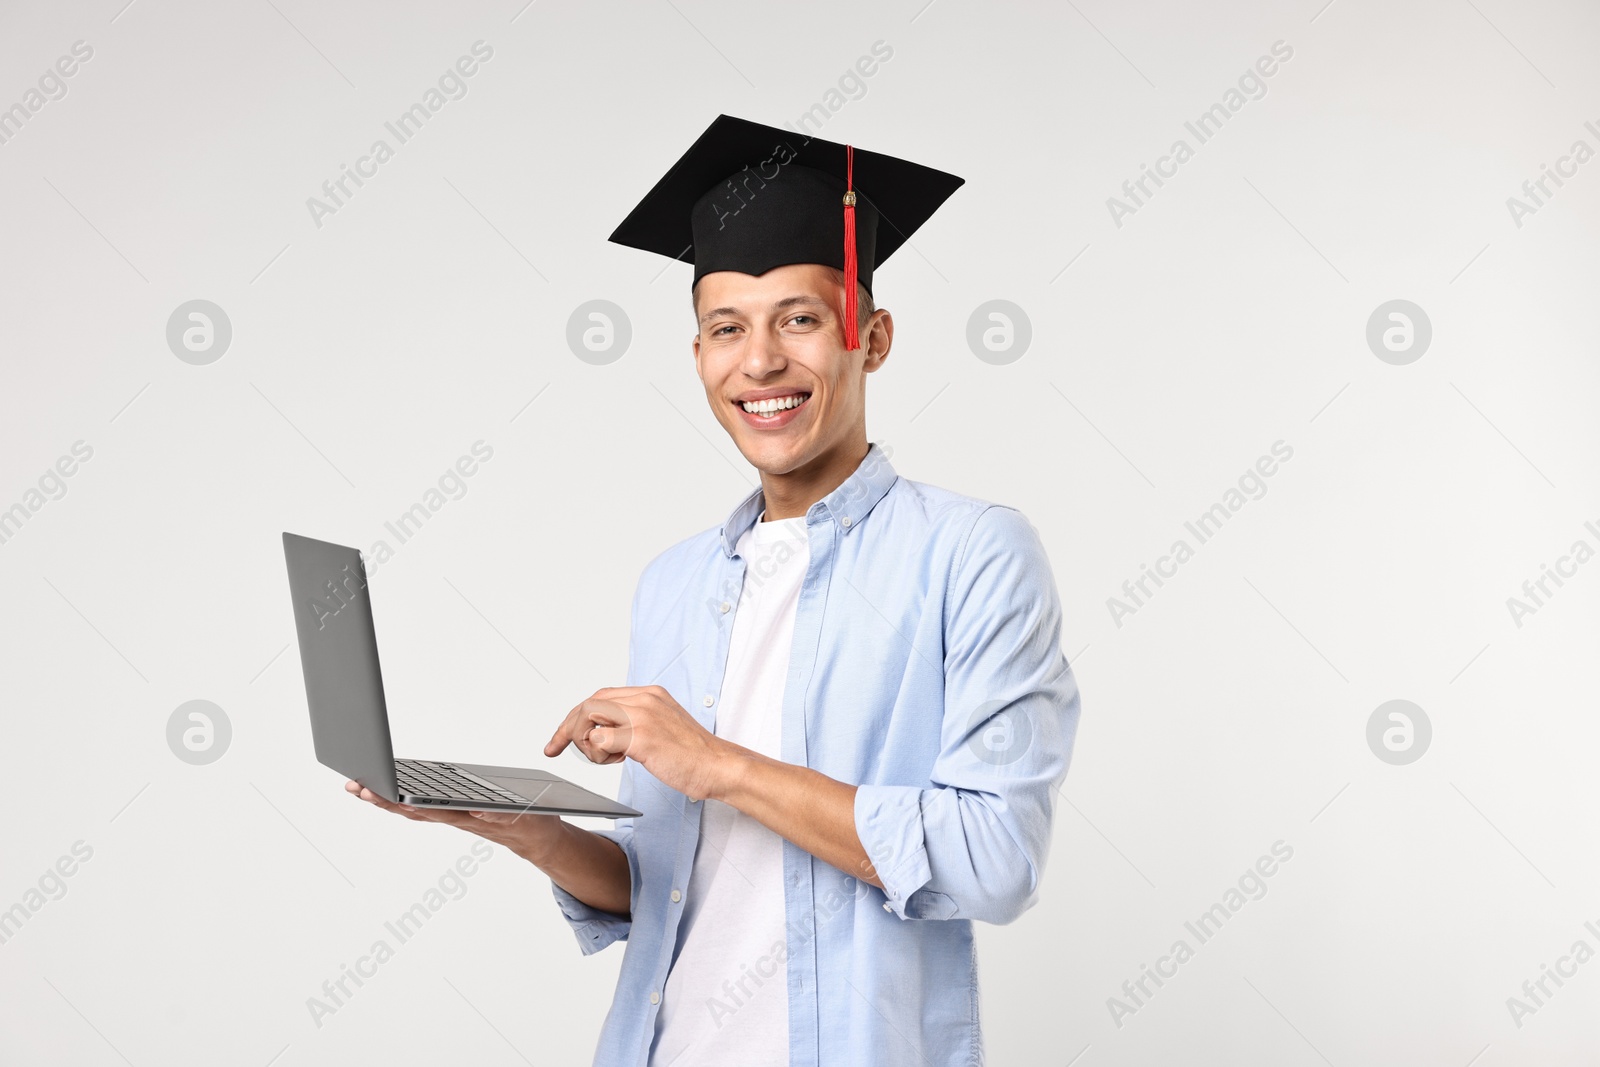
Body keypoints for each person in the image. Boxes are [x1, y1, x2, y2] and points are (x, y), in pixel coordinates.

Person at [348, 113, 1082, 1067]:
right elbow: (666, 891)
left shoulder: (974, 554)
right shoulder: (677, 583)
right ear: (697, 355)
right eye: (725, 327)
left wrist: (717, 762)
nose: (762, 361)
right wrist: (517, 824)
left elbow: (997, 860)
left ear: (874, 336)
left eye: (801, 319)